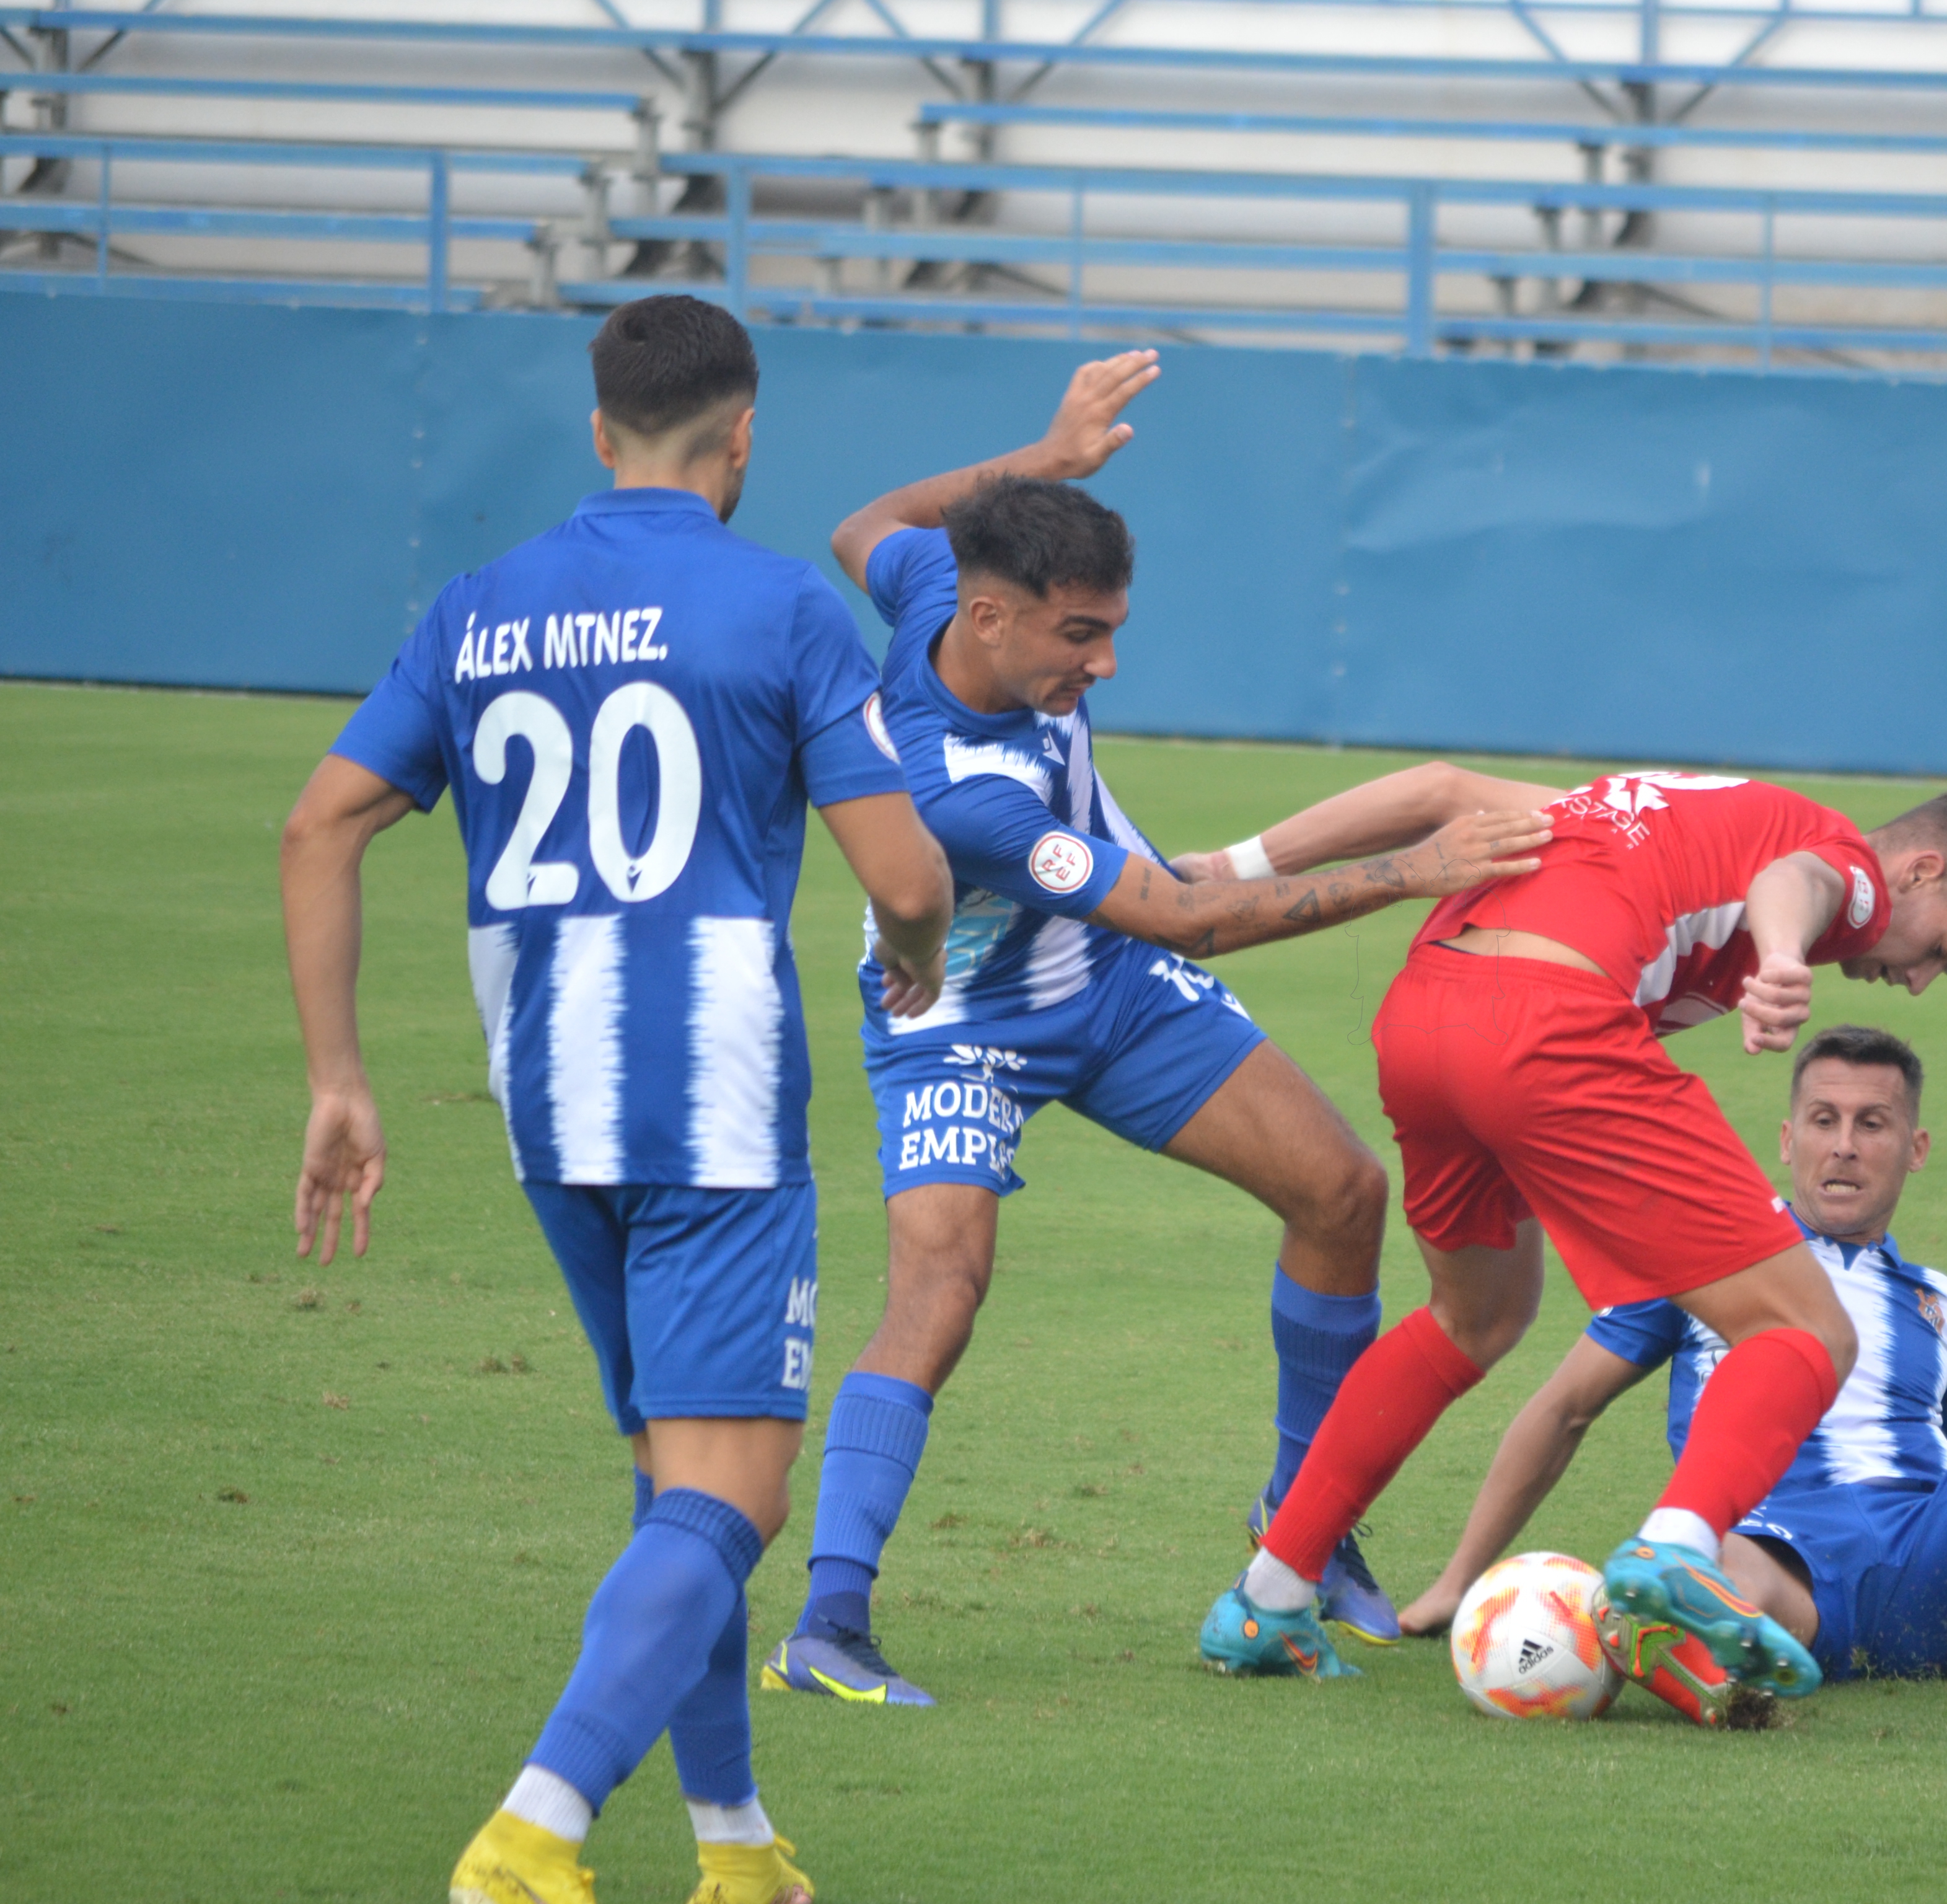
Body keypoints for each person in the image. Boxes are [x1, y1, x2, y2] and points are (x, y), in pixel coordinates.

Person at [282, 293, 954, 1904]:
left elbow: (319, 826)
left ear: (598, 433)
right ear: (740, 442)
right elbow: (908, 873)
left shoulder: (478, 609)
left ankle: (732, 1846)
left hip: (546, 1096)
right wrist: (919, 955)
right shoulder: (785, 608)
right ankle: (537, 1829)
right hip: (713, 1098)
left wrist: (339, 1078)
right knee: (732, 1494)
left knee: (676, 1484)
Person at [762, 364, 1550, 1706]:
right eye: (1081, 633)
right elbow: (1191, 923)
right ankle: (829, 1625)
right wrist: (1415, 871)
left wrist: (1052, 458)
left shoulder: (927, 586)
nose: (1105, 663)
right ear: (992, 612)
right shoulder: (960, 793)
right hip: (962, 1026)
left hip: (1107, 981)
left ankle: (1300, 1529)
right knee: (937, 1299)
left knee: (1342, 1193)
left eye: (1114, 629)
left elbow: (866, 521)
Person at [1192, 764, 1947, 1693]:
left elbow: (1437, 790)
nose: (1915, 982)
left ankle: (1268, 1595)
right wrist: (1787, 954)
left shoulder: (1655, 806)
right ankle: (1677, 1549)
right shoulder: (1850, 870)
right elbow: (1798, 883)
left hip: (1424, 1021)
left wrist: (1234, 865)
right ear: (1919, 872)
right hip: (1548, 1023)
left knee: (1476, 1317)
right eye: (1944, 954)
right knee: (1806, 1329)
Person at [1399, 1025, 1947, 1727]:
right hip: (1782, 1558)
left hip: (1929, 1563)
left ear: (1915, 1150)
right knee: (1689, 1576)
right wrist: (1458, 1580)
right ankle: (1697, 1649)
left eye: (1872, 1123)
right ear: (1789, 1140)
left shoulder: (1938, 1301)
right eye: (1825, 1121)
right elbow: (1564, 1409)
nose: (1844, 1144)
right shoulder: (1703, 1262)